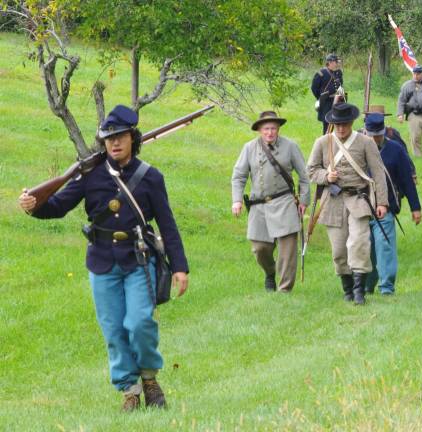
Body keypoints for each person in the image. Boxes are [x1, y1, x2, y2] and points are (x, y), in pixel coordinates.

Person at [18, 105, 189, 412]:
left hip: (138, 259)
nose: (114, 143)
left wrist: (180, 267)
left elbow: (167, 224)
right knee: (113, 330)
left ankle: (149, 378)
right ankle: (130, 390)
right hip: (101, 261)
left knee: (139, 323)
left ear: (132, 138)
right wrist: (32, 205)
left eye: (120, 136)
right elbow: (57, 206)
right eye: (109, 138)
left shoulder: (150, 177)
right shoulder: (90, 175)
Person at [307, 103, 388, 305]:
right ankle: (347, 289)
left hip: (359, 199)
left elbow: (378, 173)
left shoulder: (366, 142)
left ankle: (360, 290)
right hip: (333, 201)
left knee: (359, 242)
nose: (341, 128)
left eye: (344, 124)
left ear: (351, 123)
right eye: (337, 124)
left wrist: (382, 202)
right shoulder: (323, 143)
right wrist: (326, 176)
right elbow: (311, 171)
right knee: (339, 250)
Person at [231, 111, 310, 292]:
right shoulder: (249, 148)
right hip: (259, 206)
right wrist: (237, 200)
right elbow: (238, 176)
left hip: (284, 202)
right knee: (259, 249)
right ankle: (270, 272)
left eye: (273, 128)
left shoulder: (290, 146)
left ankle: (284, 290)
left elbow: (304, 176)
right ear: (259, 129)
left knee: (287, 251)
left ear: (278, 129)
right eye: (266, 128)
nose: (270, 132)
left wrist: (304, 200)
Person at [362, 113, 422, 295]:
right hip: (362, 207)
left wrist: (415, 207)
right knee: (366, 249)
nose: (374, 139)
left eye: (378, 135)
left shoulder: (395, 150)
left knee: (385, 247)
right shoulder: (357, 150)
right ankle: (366, 285)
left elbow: (406, 180)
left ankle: (386, 287)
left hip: (385, 207)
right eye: (371, 135)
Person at [364, 104, 417, 183]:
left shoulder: (391, 132)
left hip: (388, 172)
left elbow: (403, 153)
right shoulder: (361, 133)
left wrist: (412, 173)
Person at [311, 53, 344, 134]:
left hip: (337, 102)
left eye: (337, 62)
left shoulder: (338, 73)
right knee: (327, 126)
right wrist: (321, 97)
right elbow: (314, 88)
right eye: (335, 62)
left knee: (338, 124)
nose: (337, 64)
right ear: (330, 62)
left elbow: (340, 86)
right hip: (326, 104)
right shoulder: (321, 73)